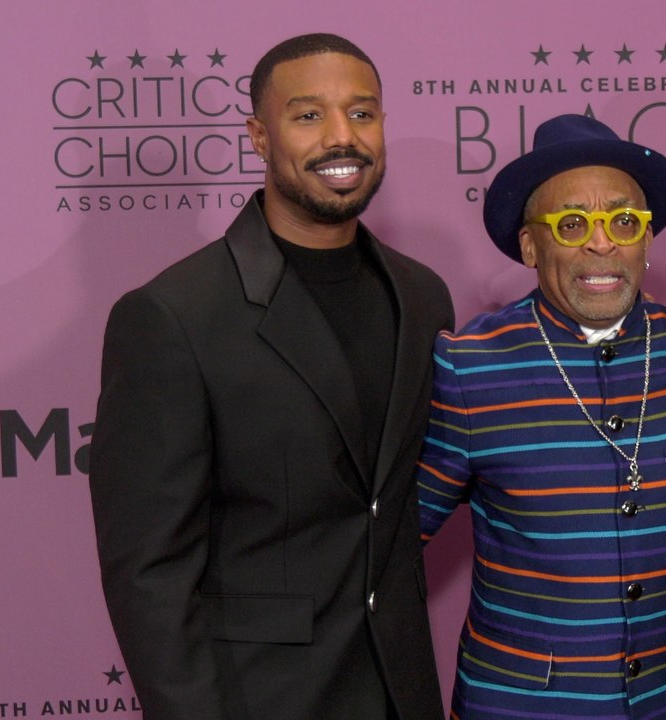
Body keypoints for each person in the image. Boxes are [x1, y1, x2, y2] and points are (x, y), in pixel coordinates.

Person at [88, 33, 452, 720]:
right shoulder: (173, 317)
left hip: (401, 691)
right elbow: (149, 574)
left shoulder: (423, 296)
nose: (343, 138)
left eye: (364, 113)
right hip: (257, 696)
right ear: (259, 135)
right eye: (308, 115)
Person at [416, 114, 666, 719]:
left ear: (648, 238)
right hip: (524, 705)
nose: (602, 243)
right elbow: (394, 536)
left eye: (624, 221)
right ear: (530, 245)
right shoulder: (468, 366)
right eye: (573, 223)